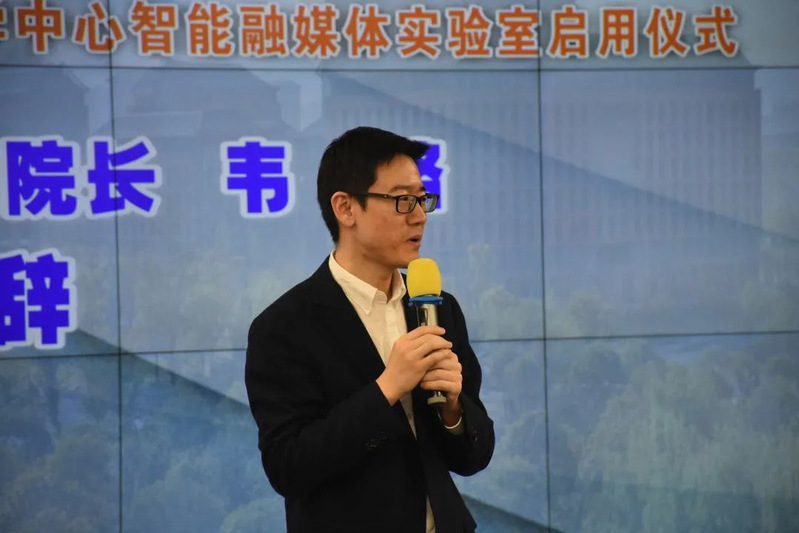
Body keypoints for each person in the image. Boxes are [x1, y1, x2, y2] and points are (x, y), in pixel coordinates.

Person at [245, 126, 495, 533]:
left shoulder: (438, 307)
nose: (419, 215)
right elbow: (289, 468)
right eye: (401, 200)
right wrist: (387, 388)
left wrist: (454, 412)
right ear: (346, 208)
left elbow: (474, 457)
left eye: (422, 199)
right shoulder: (284, 327)